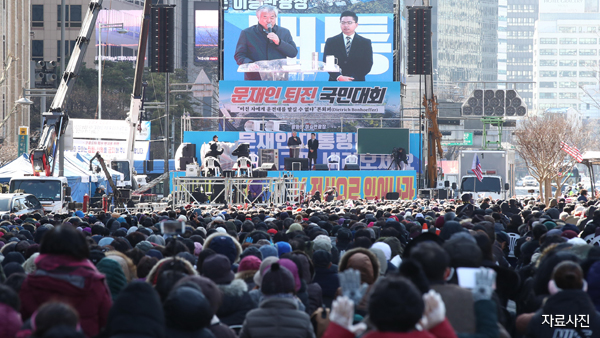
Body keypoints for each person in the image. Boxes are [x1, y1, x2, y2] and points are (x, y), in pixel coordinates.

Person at [234, 5, 298, 81]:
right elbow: (239, 55)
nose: (269, 20)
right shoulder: (247, 33)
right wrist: (249, 64)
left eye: (272, 17)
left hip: (279, 79)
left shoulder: (284, 32)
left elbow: (293, 53)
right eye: (265, 17)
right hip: (255, 78)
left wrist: (279, 42)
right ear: (258, 17)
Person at [323, 11, 373, 81]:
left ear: (356, 24)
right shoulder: (331, 41)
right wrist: (339, 77)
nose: (346, 25)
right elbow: (327, 62)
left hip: (357, 82)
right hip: (335, 81)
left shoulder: (365, 42)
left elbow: (367, 64)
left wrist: (352, 78)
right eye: (343, 23)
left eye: (349, 23)